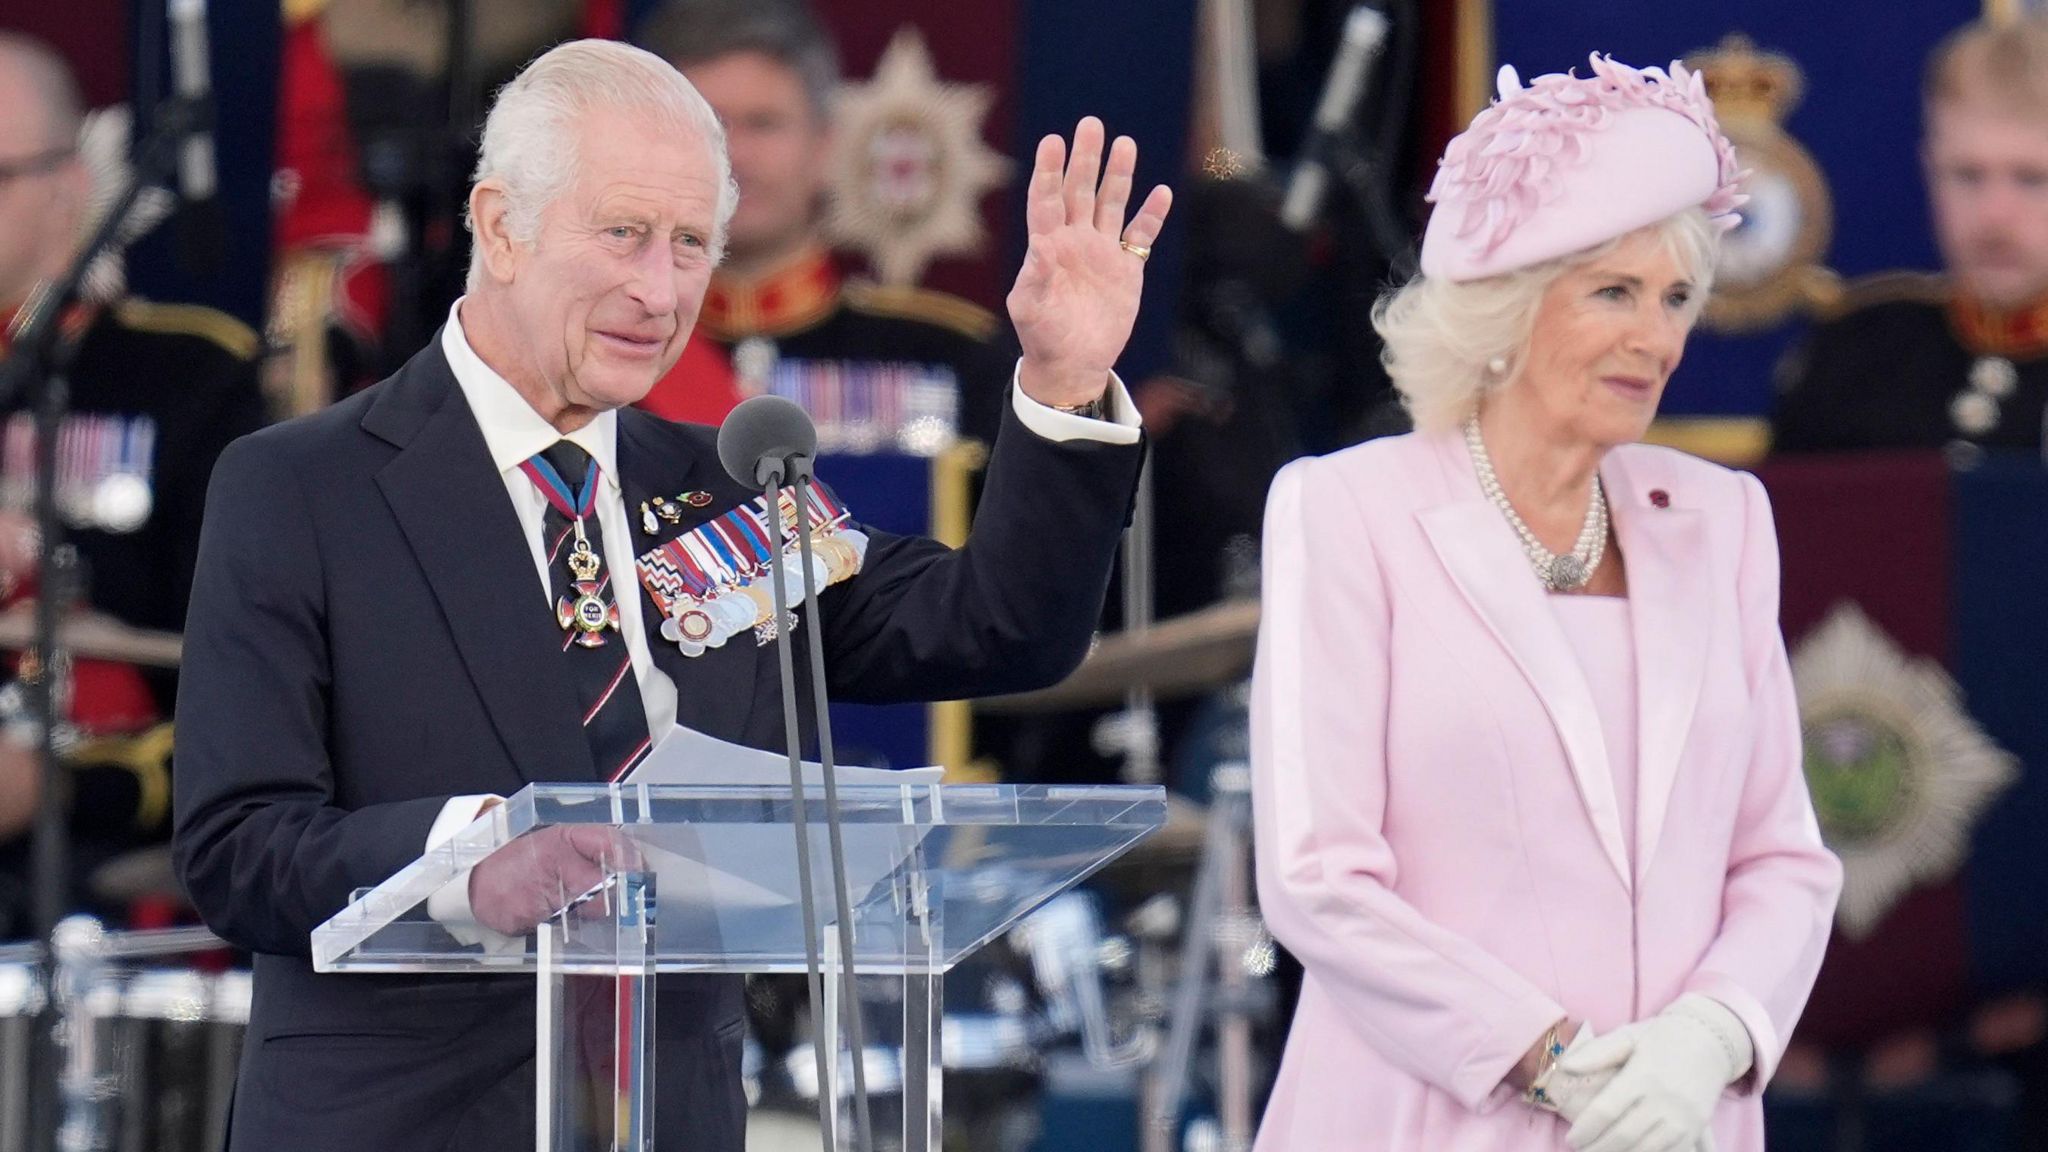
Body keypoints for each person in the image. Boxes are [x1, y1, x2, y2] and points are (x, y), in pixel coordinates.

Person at [171, 38, 1169, 1152]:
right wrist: (474, 858)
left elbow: (999, 627)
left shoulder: (723, 485)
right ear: (501, 226)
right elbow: (237, 846)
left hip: (669, 1114)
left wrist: (1065, 381)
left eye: (692, 244)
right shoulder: (302, 486)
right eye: (624, 234)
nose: (659, 291)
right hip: (401, 1121)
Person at [1249, 55, 1843, 1151]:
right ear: (1504, 309)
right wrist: (1554, 1062)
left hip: (1677, 1126)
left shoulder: (1720, 523)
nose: (1654, 338)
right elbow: (1316, 878)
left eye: (1673, 299)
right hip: (1423, 1119)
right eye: (1612, 293)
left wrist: (1704, 1042)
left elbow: (1782, 859)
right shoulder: (1346, 511)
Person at [0, 34, 265, 933]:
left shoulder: (185, 376)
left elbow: (251, 691)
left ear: (70, 188)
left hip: (96, 874)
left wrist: (58, 782)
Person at [632, 0, 1016, 449]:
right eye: (708, 127)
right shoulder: (609, 348)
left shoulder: (950, 357)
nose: (734, 157)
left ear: (824, 144)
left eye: (764, 124)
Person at [1772, 16, 2048, 456]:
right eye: (1967, 176)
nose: (1995, 215)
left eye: (2031, 178)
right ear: (1930, 169)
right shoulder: (1854, 360)